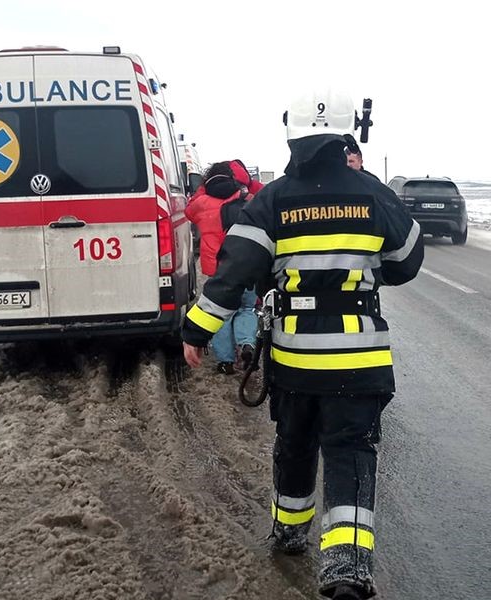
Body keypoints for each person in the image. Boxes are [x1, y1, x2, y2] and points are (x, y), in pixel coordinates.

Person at [181, 90, 423, 600]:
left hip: (296, 358)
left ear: (291, 132)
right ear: (343, 135)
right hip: (361, 359)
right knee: (351, 455)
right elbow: (406, 259)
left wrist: (197, 330)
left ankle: (291, 533)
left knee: (295, 446)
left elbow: (234, 273)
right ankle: (348, 569)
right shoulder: (374, 193)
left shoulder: (271, 199)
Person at [184, 160, 262, 374]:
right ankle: (247, 344)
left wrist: (201, 188)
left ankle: (225, 361)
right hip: (246, 266)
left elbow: (188, 211)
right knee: (247, 309)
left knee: (220, 314)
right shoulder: (244, 198)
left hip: (217, 268)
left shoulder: (201, 203)